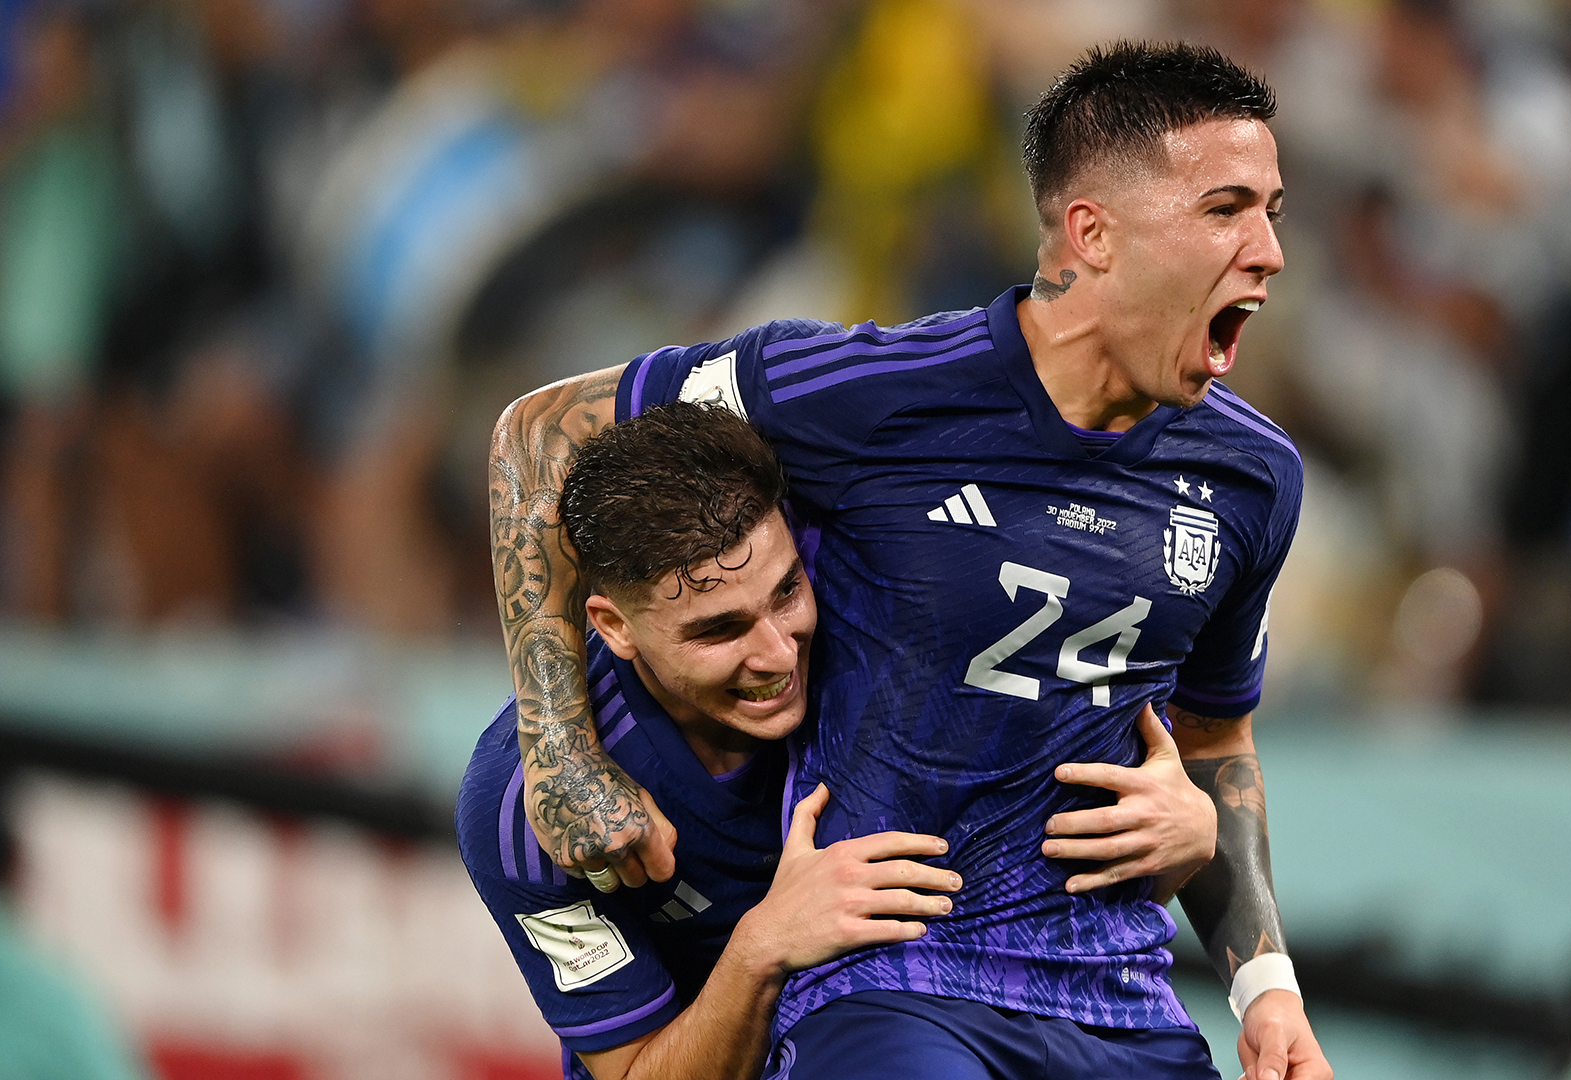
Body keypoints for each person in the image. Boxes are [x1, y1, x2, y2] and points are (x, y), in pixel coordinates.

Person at [489, 42, 1331, 1080]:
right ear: (1092, 234)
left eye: (1272, 213)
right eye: (1225, 210)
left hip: (1119, 1000)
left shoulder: (1253, 479)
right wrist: (559, 754)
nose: (1267, 252)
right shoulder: (871, 391)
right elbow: (541, 431)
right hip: (897, 987)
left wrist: (1265, 985)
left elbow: (1215, 731)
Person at [461, 401, 1215, 1080]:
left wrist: (1185, 834)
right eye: (719, 630)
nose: (780, 654)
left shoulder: (885, 625)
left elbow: (1040, 888)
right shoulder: (526, 811)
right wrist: (763, 947)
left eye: (786, 591)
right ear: (614, 626)